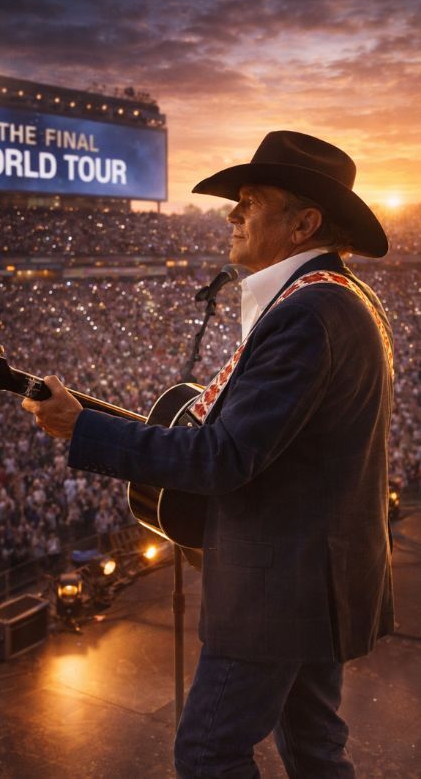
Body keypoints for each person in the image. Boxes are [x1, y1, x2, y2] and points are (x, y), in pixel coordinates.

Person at [22, 131, 394, 778]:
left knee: (208, 753)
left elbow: (223, 457)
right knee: (314, 749)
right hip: (319, 580)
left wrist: (85, 429)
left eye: (252, 201)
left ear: (304, 223)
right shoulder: (340, 298)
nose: (232, 215)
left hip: (279, 589)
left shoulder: (307, 313)